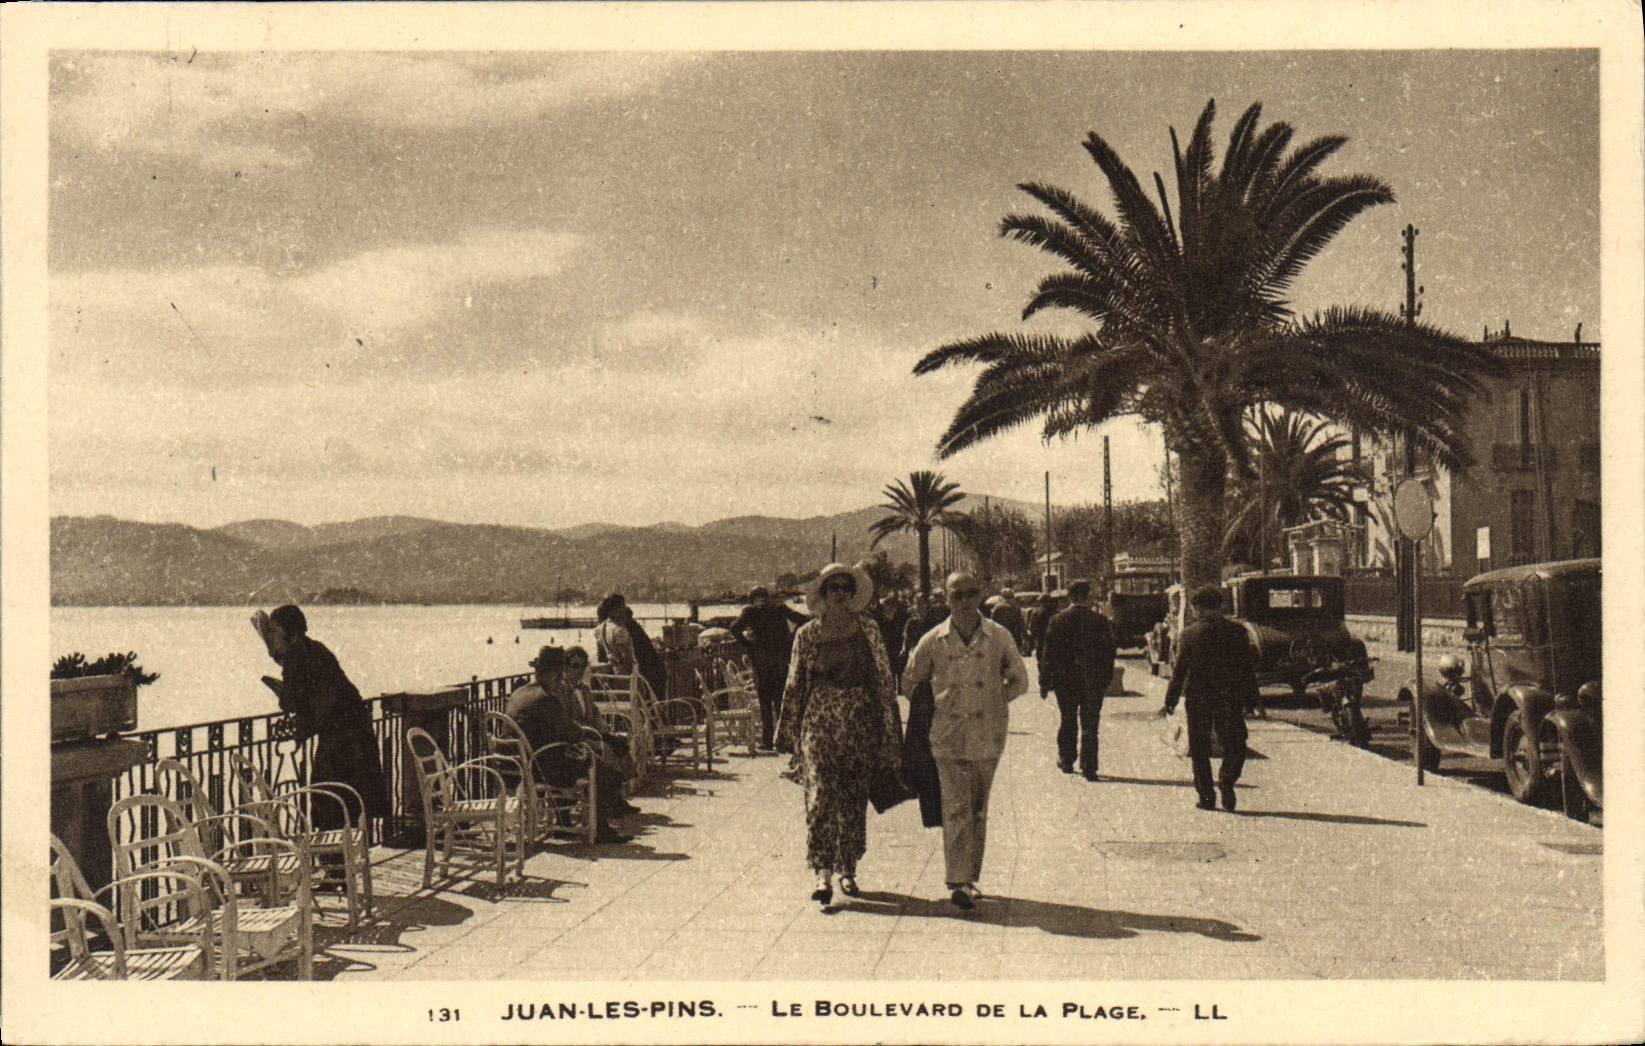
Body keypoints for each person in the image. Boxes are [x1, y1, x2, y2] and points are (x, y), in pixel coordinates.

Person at [776, 562, 901, 908]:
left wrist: (889, 731)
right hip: (819, 722)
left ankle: (848, 867)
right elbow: (795, 683)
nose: (841, 594)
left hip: (859, 722)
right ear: (823, 594)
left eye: (846, 588)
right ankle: (822, 872)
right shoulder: (808, 635)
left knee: (852, 799)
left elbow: (883, 679)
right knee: (819, 797)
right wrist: (788, 736)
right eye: (834, 588)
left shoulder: (869, 630)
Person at [902, 571, 1029, 910]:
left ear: (981, 596)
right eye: (956, 595)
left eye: (970, 594)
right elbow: (910, 682)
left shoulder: (998, 637)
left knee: (978, 810)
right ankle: (958, 881)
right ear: (946, 599)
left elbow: (1020, 679)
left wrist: (995, 701)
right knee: (956, 808)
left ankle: (970, 876)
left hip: (987, 734)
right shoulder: (933, 640)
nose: (964, 602)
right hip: (948, 736)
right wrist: (936, 704)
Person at [252, 604, 390, 831]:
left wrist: (279, 687)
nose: (273, 636)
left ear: (291, 633)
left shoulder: (295, 656)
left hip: (340, 737)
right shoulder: (315, 648)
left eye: (275, 632)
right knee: (351, 801)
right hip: (356, 729)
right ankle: (350, 856)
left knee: (327, 801)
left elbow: (290, 702)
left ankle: (335, 860)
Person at [507, 646, 633, 842]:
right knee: (599, 769)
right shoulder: (545, 698)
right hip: (537, 767)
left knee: (568, 759)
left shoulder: (519, 693)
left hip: (513, 765)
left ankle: (564, 823)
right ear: (556, 674)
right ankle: (600, 830)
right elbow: (572, 733)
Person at [1159, 585, 1253, 812]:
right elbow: (1246, 669)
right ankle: (1228, 779)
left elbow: (1179, 671)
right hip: (1229, 697)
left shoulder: (1189, 634)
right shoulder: (1238, 632)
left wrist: (1170, 700)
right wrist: (1250, 699)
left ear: (1197, 608)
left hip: (1198, 698)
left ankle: (1207, 797)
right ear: (1220, 606)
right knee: (1235, 743)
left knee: (1199, 748)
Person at [1039, 579, 1117, 780]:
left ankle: (1066, 759)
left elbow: (1048, 654)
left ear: (1069, 597)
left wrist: (1045, 682)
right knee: (1090, 724)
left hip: (1066, 681)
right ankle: (1089, 766)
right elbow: (1109, 653)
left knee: (1068, 719)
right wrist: (1106, 678)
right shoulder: (1100, 621)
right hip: (1092, 680)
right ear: (1088, 596)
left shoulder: (1058, 620)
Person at [729, 585, 809, 750]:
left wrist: (749, 644)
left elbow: (734, 628)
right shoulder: (779, 608)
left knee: (765, 703)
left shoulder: (750, 611)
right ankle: (784, 740)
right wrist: (792, 639)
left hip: (762, 664)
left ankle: (767, 740)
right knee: (781, 702)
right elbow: (803, 620)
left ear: (752, 598)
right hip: (780, 662)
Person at [564, 645, 638, 793]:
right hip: (579, 736)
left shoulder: (584, 689)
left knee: (621, 745)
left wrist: (601, 724)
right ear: (565, 668)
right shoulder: (563, 690)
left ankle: (618, 795)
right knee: (607, 750)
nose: (579, 671)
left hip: (592, 731)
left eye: (582, 666)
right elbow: (567, 720)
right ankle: (610, 799)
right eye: (575, 666)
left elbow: (594, 711)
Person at [990, 587, 1025, 652]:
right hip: (1014, 636)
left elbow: (991, 622)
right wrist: (1024, 635)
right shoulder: (1016, 608)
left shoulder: (997, 608)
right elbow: (1021, 623)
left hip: (1000, 636)